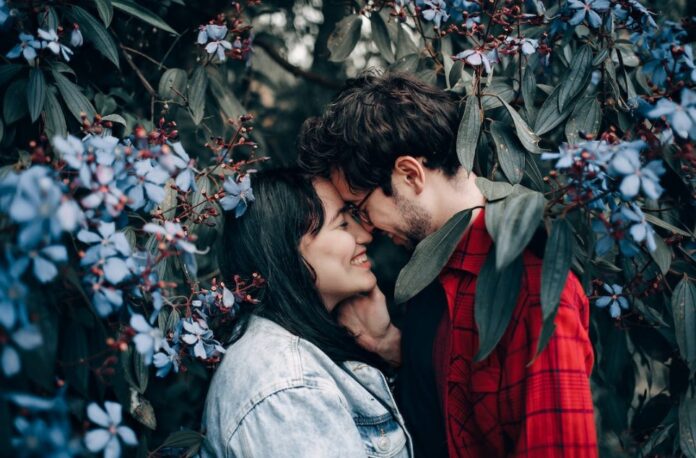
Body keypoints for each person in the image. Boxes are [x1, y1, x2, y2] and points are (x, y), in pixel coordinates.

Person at [298, 71, 598, 457]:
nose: (366, 230)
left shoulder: (533, 289)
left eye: (362, 209)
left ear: (409, 174)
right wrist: (393, 348)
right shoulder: (428, 276)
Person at [201, 168, 413, 457]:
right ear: (289, 250)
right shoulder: (289, 390)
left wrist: (386, 344)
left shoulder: (294, 358)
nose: (365, 235)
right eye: (342, 225)